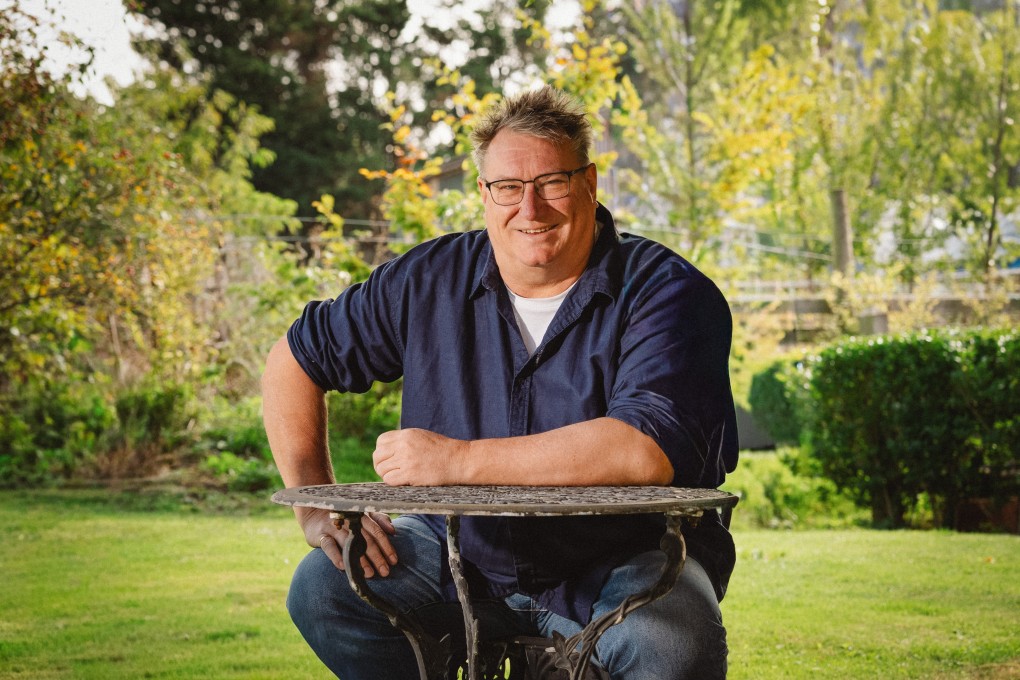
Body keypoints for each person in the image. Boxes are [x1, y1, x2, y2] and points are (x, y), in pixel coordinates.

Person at [262, 85, 738, 680]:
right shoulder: (427, 281)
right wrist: (314, 508)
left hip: (621, 557)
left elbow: (642, 451)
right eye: (508, 188)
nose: (529, 209)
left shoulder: (668, 293)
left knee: (671, 645)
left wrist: (456, 460)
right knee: (325, 591)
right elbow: (294, 360)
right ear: (485, 195)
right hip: (457, 554)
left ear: (589, 184)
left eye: (552, 183)